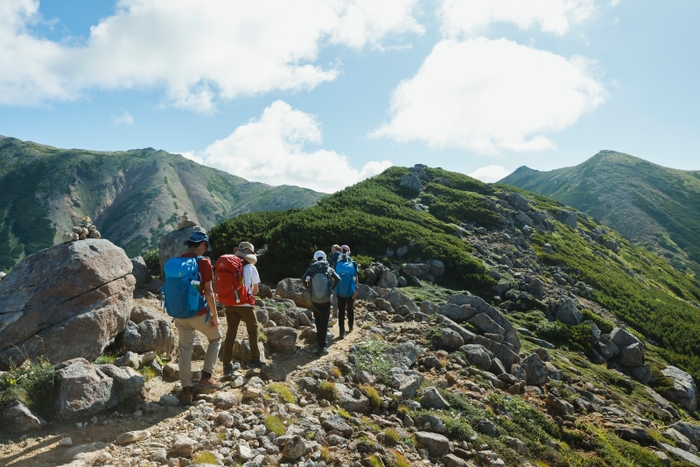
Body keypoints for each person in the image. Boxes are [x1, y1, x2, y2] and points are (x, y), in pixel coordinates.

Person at [175, 231, 221, 404]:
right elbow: (209, 292)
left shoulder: (178, 261)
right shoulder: (203, 262)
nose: (206, 250)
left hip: (180, 313)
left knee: (185, 350)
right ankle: (206, 376)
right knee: (216, 338)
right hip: (198, 312)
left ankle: (187, 390)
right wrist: (214, 315)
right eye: (206, 247)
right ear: (202, 244)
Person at [221, 241, 265, 374]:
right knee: (253, 330)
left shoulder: (230, 267)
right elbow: (255, 290)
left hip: (230, 303)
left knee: (231, 333)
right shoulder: (251, 268)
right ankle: (254, 359)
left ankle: (227, 366)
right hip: (245, 304)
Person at [301, 250, 340, 355]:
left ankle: (319, 342)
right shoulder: (329, 269)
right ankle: (322, 347)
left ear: (315, 258)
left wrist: (309, 288)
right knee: (324, 321)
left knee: (317, 320)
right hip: (326, 299)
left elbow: (303, 279)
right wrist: (331, 287)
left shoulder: (311, 269)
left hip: (314, 299)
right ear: (325, 258)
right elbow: (338, 279)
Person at [334, 245, 359, 339]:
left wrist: (335, 291)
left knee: (341, 311)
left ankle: (341, 331)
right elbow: (356, 277)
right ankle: (351, 326)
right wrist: (356, 290)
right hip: (351, 291)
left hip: (340, 291)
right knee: (350, 309)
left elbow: (334, 279)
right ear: (349, 252)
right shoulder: (353, 264)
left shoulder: (337, 264)